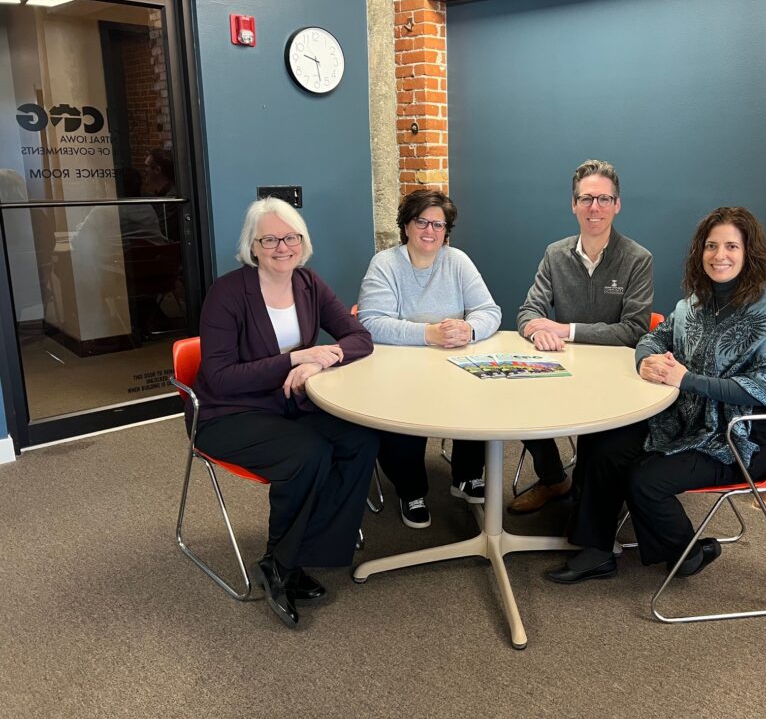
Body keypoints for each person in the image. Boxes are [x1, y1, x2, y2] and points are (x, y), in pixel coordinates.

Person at [546, 206, 766, 584]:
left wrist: (686, 379)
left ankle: (688, 553)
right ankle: (596, 551)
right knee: (603, 444)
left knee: (645, 479)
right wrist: (645, 360)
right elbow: (653, 337)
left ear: (749, 253)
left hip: (741, 435)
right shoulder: (697, 300)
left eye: (731, 246)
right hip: (684, 417)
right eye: (711, 246)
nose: (720, 255)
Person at [192, 197, 379, 628]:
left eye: (291, 237)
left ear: (302, 241)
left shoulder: (308, 283)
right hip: (227, 413)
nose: (282, 247)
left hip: (288, 403)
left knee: (360, 439)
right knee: (308, 452)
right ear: (252, 247)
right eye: (270, 240)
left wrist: (320, 361)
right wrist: (295, 359)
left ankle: (301, 555)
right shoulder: (227, 294)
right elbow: (220, 378)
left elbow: (359, 337)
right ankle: (279, 563)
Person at [511, 159, 653, 514]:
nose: (595, 207)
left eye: (604, 199)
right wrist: (536, 331)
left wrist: (564, 330)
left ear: (617, 205)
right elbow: (528, 312)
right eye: (586, 199)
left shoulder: (637, 259)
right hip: (562, 368)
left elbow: (634, 329)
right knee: (515, 399)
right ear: (573, 204)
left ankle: (589, 504)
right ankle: (553, 479)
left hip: (614, 376)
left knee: (600, 446)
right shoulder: (555, 254)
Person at [357, 189, 501, 529]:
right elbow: (370, 321)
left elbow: (489, 310)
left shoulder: (457, 261)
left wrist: (469, 329)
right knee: (402, 414)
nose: (430, 231)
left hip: (453, 363)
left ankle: (466, 476)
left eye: (438, 224)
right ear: (406, 225)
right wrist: (428, 334)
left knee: (481, 394)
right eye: (422, 222)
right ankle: (411, 490)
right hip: (400, 367)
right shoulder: (385, 264)